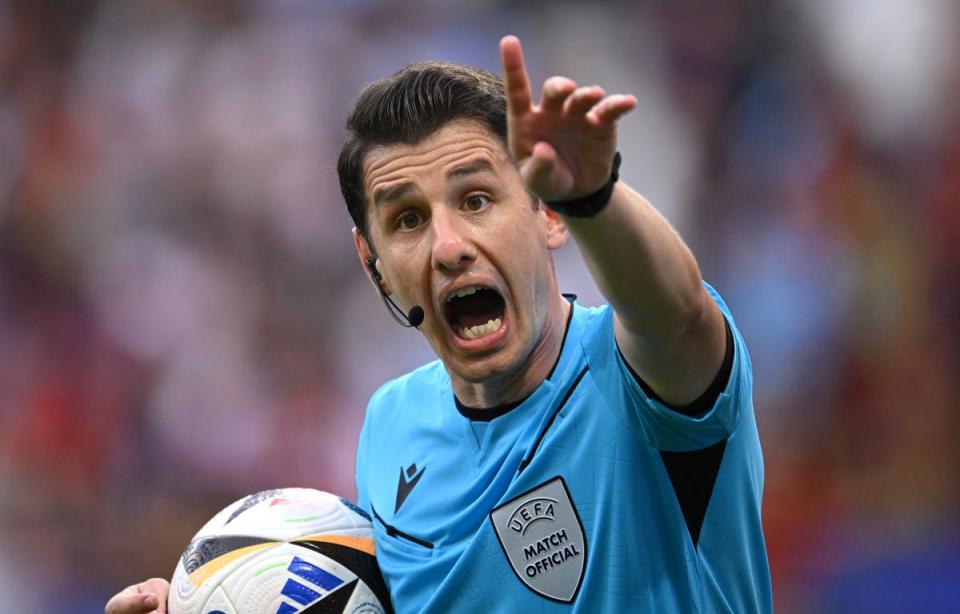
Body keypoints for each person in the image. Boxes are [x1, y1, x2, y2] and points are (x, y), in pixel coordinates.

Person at [106, 35, 771, 614]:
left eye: (477, 199)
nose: (448, 245)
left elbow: (678, 316)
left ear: (547, 215)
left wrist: (595, 196)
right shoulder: (390, 427)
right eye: (407, 220)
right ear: (373, 265)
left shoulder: (639, 379)